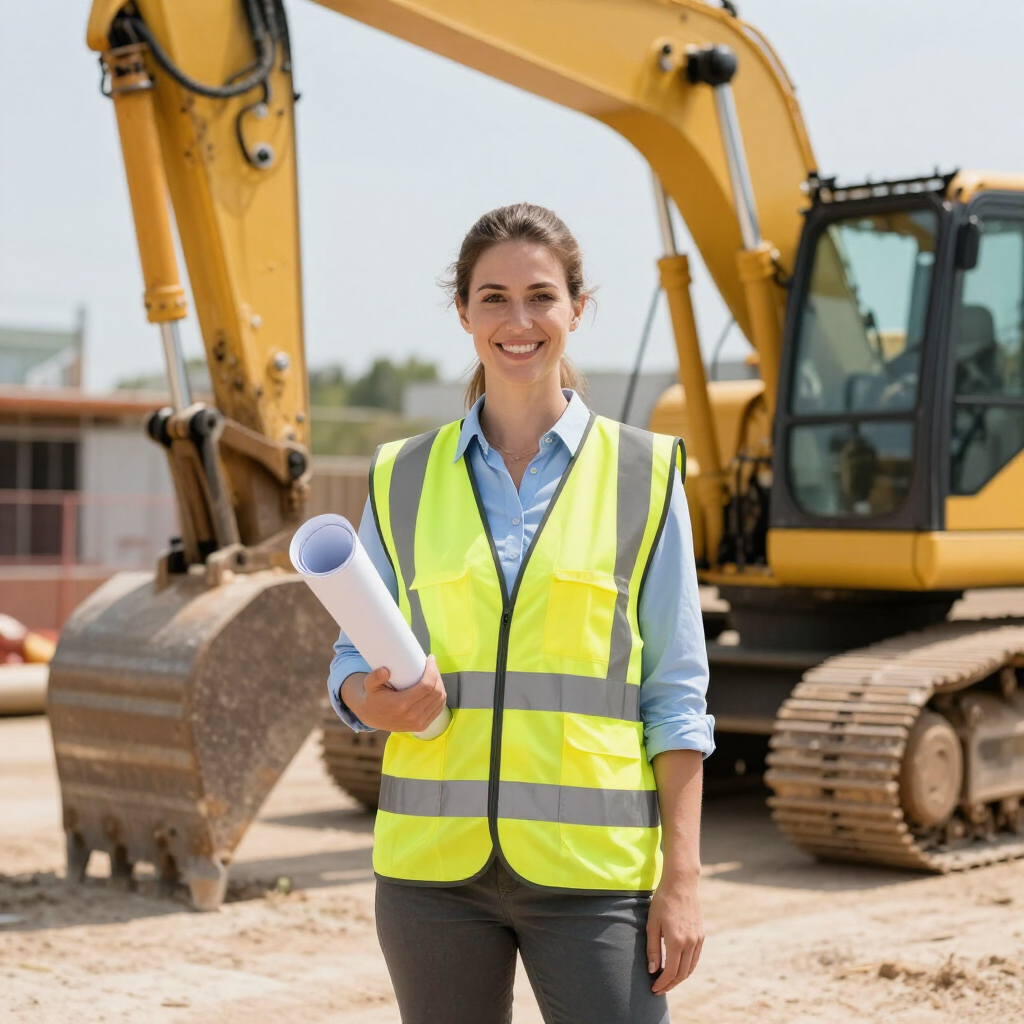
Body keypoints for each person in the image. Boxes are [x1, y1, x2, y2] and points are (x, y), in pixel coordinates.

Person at [328, 203, 714, 1024]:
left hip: (593, 874)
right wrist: (371, 700)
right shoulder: (401, 476)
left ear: (578, 308)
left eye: (541, 296)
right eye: (493, 298)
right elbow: (349, 662)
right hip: (431, 874)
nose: (519, 320)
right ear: (463, 312)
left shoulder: (644, 475)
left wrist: (682, 879)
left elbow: (676, 694)